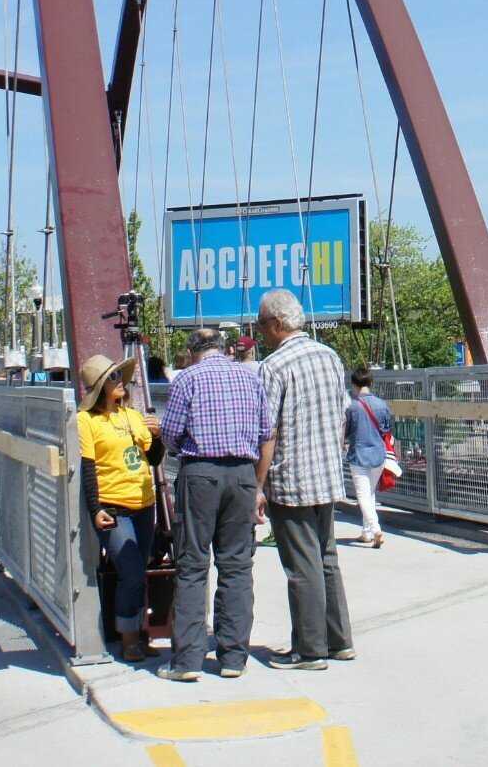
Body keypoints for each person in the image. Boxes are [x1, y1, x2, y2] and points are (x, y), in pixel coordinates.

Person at [157, 326, 274, 683]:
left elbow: (171, 433)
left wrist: (183, 449)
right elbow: (266, 432)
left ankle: (188, 661)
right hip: (241, 473)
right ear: (224, 349)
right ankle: (233, 657)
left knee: (193, 565)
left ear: (192, 352)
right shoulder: (250, 378)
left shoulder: (186, 379)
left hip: (201, 473)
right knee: (237, 566)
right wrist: (257, 484)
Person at [254, 290, 354, 669]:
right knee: (326, 557)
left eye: (263, 325)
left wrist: (258, 486)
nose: (262, 333)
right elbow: (343, 413)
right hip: (327, 474)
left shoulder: (273, 366)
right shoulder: (330, 357)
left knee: (301, 565)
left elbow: (269, 433)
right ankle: (338, 639)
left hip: (291, 480)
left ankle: (309, 650)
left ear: (277, 324)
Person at [76, 355, 163, 662]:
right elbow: (88, 468)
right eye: (113, 377)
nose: (120, 382)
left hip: (144, 504)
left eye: (120, 375)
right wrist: (95, 507)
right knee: (131, 570)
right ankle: (128, 638)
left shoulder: (134, 416)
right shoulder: (87, 421)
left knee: (140, 571)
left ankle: (139, 634)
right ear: (100, 387)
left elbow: (153, 460)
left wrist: (157, 437)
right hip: (114, 507)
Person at [345, 367, 393, 548]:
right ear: (370, 383)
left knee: (363, 496)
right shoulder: (382, 404)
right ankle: (366, 532)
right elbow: (387, 428)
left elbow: (346, 431)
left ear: (354, 384)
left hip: (358, 455)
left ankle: (376, 529)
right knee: (370, 493)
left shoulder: (352, 406)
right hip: (378, 454)